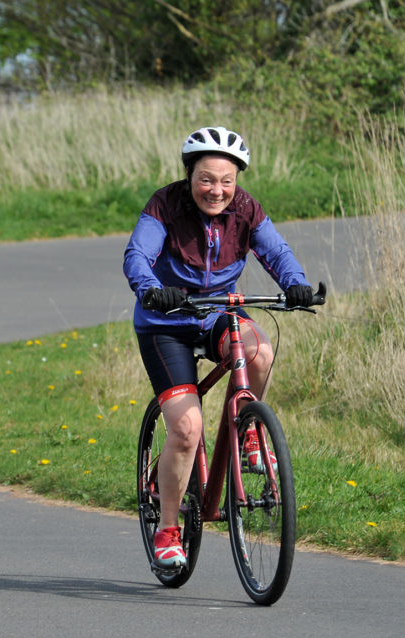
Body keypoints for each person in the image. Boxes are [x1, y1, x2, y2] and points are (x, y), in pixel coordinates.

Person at [123, 125, 313, 570]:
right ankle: (169, 530)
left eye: (227, 180)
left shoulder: (246, 209)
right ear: (190, 175)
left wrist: (297, 284)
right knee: (187, 430)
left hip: (215, 313)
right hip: (164, 320)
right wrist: (152, 289)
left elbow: (277, 252)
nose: (218, 190)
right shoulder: (165, 205)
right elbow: (137, 255)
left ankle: (247, 429)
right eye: (207, 179)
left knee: (259, 351)